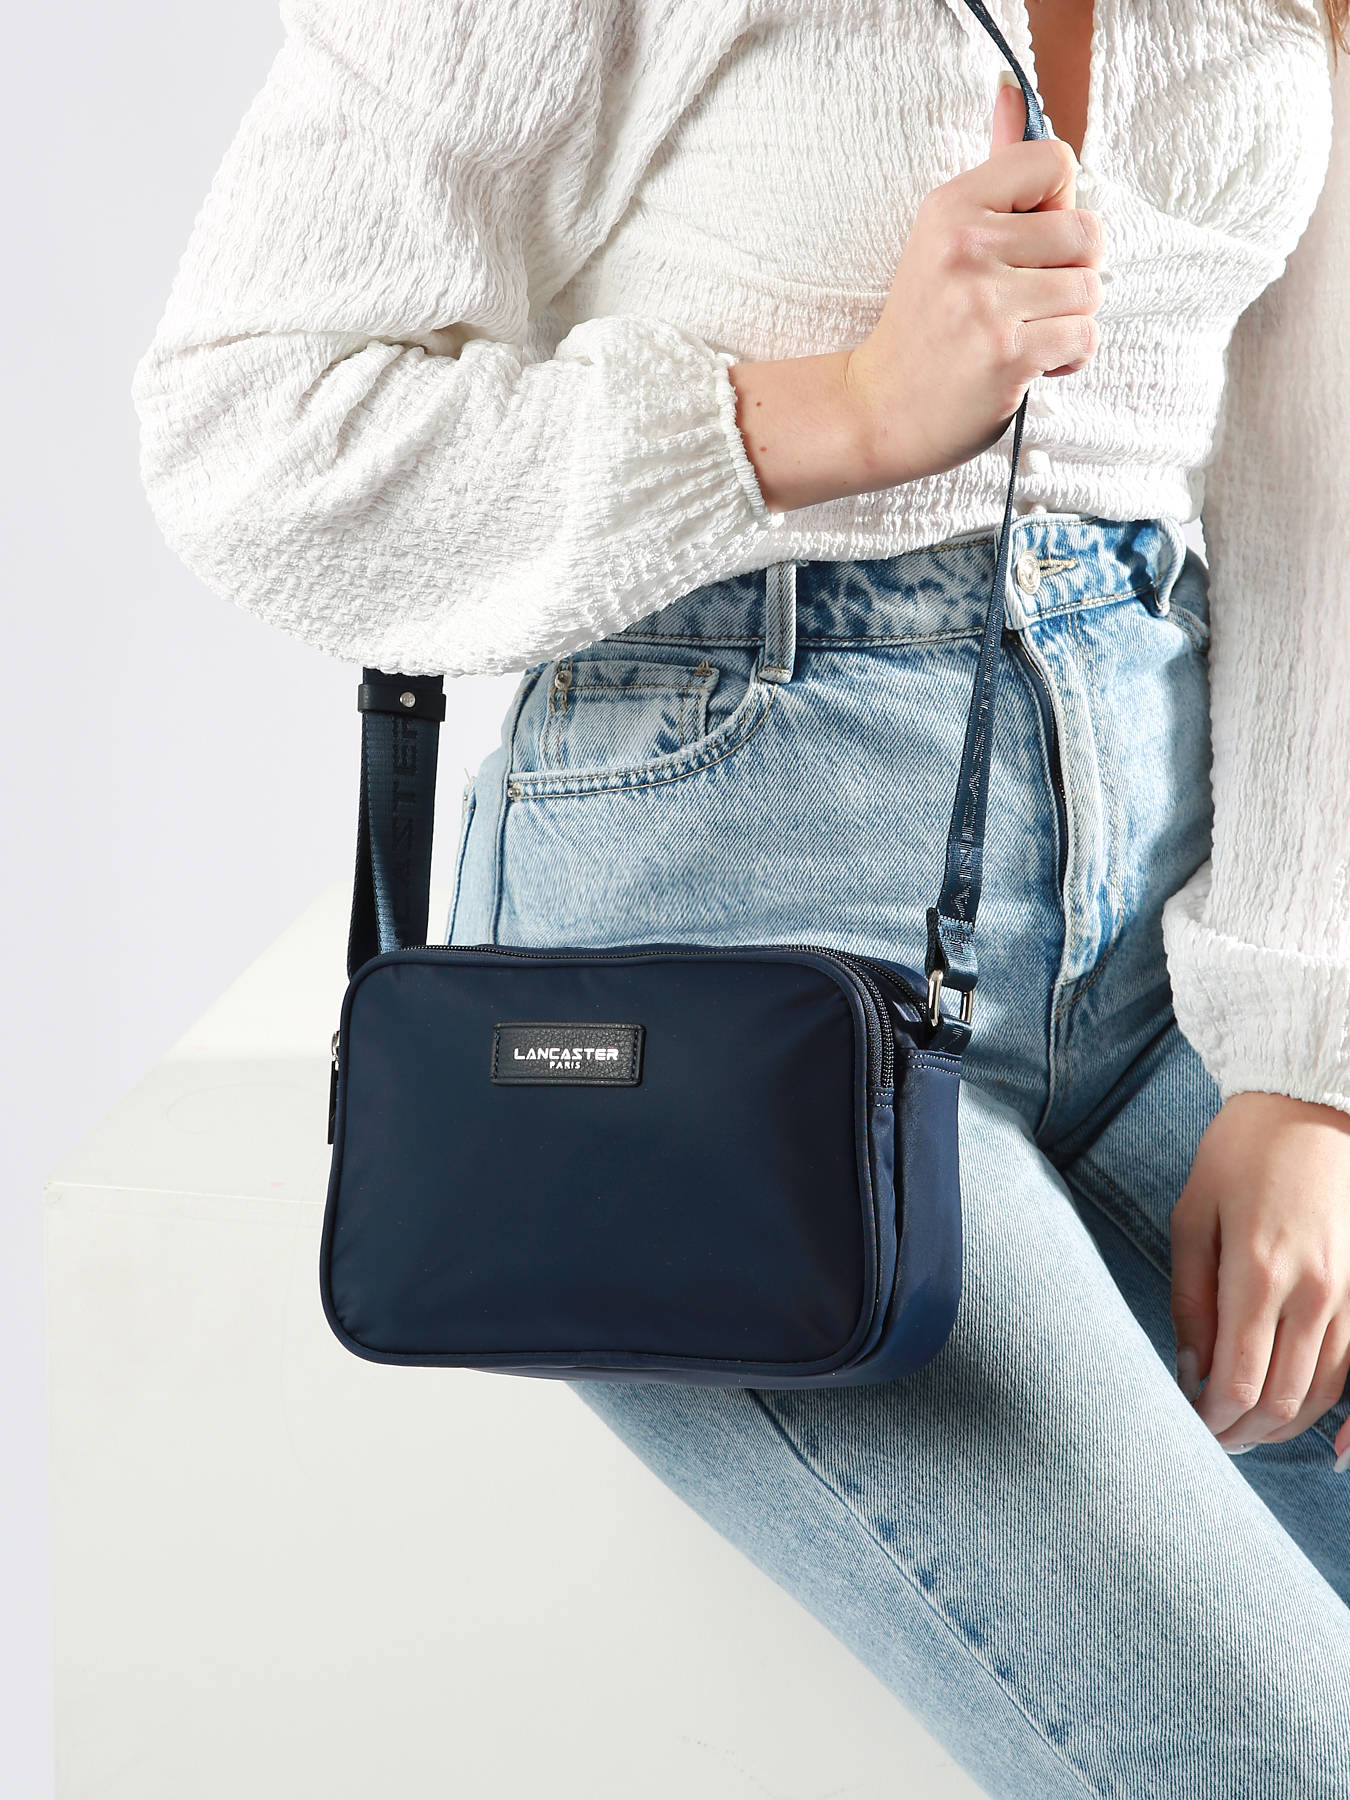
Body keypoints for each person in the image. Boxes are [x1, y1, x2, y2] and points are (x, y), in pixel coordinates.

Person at [132, 1, 1350, 1791]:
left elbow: (1318, 482)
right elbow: (248, 427)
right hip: (720, 930)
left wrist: (1309, 1059)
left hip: (1174, 911)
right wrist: (830, 411)